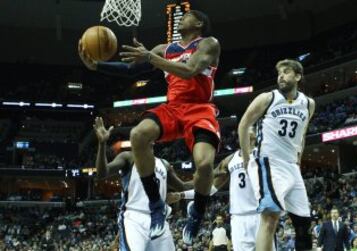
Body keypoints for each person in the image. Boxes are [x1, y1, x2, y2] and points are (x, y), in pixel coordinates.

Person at [79, 10, 221, 243]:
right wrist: (97, 66)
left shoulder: (208, 43)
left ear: (198, 23)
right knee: (138, 134)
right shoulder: (164, 49)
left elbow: (189, 71)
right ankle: (156, 206)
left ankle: (197, 212)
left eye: (187, 16)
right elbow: (130, 70)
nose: (182, 17)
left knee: (204, 164)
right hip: (173, 108)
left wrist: (150, 57)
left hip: (199, 108)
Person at [238, 59, 316, 251]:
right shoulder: (267, 98)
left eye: (286, 72)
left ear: (298, 76)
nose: (281, 75)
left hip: (291, 165)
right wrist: (247, 158)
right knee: (270, 217)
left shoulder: (308, 103)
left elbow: (303, 134)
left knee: (303, 224)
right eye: (279, 72)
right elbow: (243, 125)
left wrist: (298, 158)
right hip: (268, 162)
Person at [93, 117, 193, 251]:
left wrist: (210, 176)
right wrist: (102, 144)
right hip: (134, 218)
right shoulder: (128, 157)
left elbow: (184, 186)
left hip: (159, 219)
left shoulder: (164, 164)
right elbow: (102, 173)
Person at [168, 127, 275, 251]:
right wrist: (182, 195)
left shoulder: (265, 156)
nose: (247, 134)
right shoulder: (230, 160)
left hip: (262, 216)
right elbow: (210, 189)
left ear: (255, 136)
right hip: (239, 218)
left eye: (250, 130)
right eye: (244, 131)